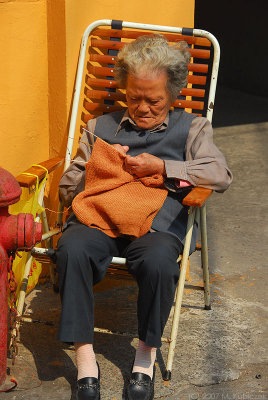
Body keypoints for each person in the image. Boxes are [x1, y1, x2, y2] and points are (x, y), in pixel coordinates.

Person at [57, 35, 232, 400]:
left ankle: (144, 358)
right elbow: (67, 189)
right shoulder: (101, 127)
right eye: (133, 98)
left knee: (157, 262)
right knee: (72, 247)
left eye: (153, 100)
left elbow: (219, 175)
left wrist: (164, 166)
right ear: (124, 89)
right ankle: (86, 360)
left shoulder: (193, 128)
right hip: (99, 220)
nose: (142, 108)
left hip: (157, 225)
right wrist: (98, 166)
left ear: (172, 94)